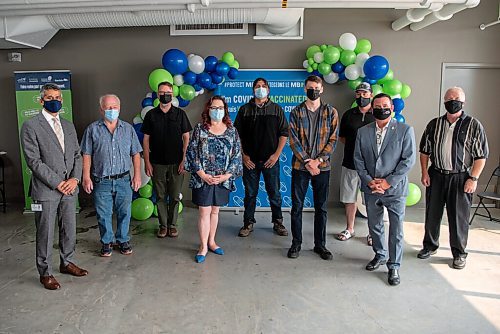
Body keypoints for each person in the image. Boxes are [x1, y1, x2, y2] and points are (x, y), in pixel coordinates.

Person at [20, 83, 88, 290]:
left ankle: (66, 262)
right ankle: (45, 272)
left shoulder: (68, 125)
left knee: (69, 229)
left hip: (69, 188)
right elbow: (34, 161)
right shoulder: (31, 126)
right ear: (41, 101)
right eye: (50, 97)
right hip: (47, 190)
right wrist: (58, 183)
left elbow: (77, 154)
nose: (55, 101)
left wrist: (75, 179)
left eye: (58, 97)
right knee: (46, 232)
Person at [417, 87, 488, 269]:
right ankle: (429, 246)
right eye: (449, 98)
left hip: (461, 177)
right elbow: (424, 151)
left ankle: (459, 253)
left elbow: (481, 156)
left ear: (463, 102)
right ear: (444, 101)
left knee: (458, 218)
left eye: (456, 98)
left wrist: (473, 178)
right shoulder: (434, 124)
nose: (452, 100)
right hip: (437, 175)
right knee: (432, 214)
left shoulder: (473, 125)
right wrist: (424, 172)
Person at [354, 93, 416, 286]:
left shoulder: (405, 130)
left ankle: (394, 265)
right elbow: (358, 159)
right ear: (372, 109)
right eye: (378, 106)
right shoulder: (363, 132)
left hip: (395, 189)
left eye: (385, 105)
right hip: (371, 188)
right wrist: (369, 181)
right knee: (375, 226)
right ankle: (380, 254)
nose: (382, 109)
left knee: (396, 229)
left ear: (392, 108)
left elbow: (408, 160)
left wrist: (388, 182)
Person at [81, 94, 143, 257]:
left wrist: (137, 175)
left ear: (119, 108)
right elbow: (86, 154)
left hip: (124, 180)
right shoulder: (92, 129)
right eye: (108, 107)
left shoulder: (128, 129)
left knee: (124, 213)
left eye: (114, 107)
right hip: (102, 181)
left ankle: (123, 240)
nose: (112, 110)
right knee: (103, 214)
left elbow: (136, 153)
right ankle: (106, 242)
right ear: (101, 110)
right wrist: (86, 177)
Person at [185, 96, 242, 263]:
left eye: (220, 108)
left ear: (225, 110)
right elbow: (191, 152)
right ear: (208, 110)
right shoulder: (199, 129)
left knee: (215, 211)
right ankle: (203, 246)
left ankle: (212, 241)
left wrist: (227, 175)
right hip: (203, 178)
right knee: (204, 211)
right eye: (214, 107)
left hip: (222, 179)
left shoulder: (232, 130)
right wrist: (202, 174)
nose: (217, 111)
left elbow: (237, 156)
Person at [287, 75, 339, 261]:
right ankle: (296, 243)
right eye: (310, 87)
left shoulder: (331, 112)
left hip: (322, 168)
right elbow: (293, 140)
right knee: (297, 207)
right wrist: (308, 161)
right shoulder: (296, 112)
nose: (313, 91)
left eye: (317, 88)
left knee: (321, 208)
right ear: (304, 89)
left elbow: (333, 140)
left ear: (322, 89)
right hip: (300, 167)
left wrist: (318, 161)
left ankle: (320, 245)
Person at [234, 77, 289, 237]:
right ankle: (248, 223)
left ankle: (278, 222)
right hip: (250, 161)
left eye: (263, 86)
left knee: (275, 193)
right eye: (257, 86)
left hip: (271, 161)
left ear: (268, 90)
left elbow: (284, 133)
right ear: (253, 90)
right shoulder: (244, 110)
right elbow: (236, 135)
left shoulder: (277, 109)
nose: (260, 88)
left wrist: (276, 156)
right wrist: (244, 156)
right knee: (250, 194)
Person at [141, 82, 192, 238]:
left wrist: (184, 160)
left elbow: (186, 138)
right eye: (162, 92)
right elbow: (146, 140)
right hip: (157, 163)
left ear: (173, 94)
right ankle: (163, 226)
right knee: (161, 196)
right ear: (158, 94)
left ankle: (172, 225)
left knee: (175, 196)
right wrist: (147, 162)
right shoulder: (151, 115)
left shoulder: (180, 114)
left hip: (177, 163)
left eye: (168, 92)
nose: (165, 95)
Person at [335, 82, 375, 244]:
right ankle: (350, 228)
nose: (362, 97)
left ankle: (373, 232)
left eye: (365, 94)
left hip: (371, 167)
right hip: (350, 163)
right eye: (359, 93)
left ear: (371, 95)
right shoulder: (348, 114)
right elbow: (342, 137)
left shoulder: (377, 115)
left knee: (371, 200)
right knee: (349, 197)